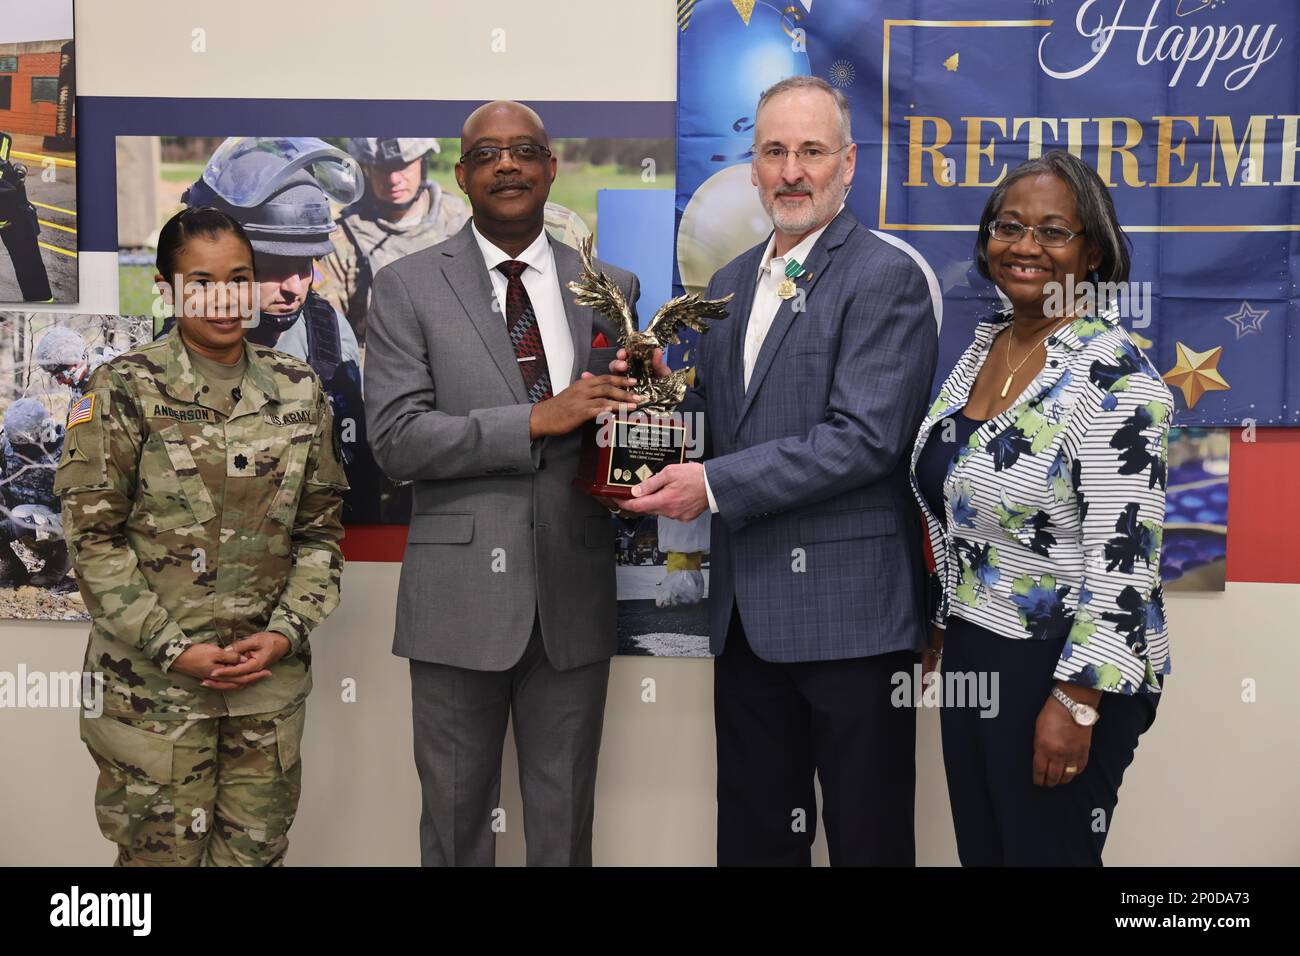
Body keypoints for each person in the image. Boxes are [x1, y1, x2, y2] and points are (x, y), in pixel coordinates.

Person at [618, 75, 938, 865]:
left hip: (852, 620)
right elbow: (735, 431)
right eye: (774, 152)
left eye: (811, 151)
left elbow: (864, 439)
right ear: (752, 167)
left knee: (868, 838)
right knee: (757, 837)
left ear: (849, 164)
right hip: (744, 617)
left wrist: (714, 486)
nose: (792, 171)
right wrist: (656, 404)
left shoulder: (884, 275)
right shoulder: (726, 285)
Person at [365, 100, 641, 866]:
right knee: (455, 829)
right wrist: (533, 421)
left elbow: (617, 435)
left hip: (573, 598)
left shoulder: (610, 287)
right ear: (462, 176)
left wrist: (644, 415)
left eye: (525, 150)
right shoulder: (406, 287)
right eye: (488, 154)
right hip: (458, 601)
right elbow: (395, 439)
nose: (508, 165)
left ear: (553, 167)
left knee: (564, 829)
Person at [55, 206, 347, 866]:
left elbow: (320, 533)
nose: (225, 298)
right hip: (154, 697)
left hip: (265, 694)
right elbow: (93, 541)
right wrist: (172, 648)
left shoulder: (300, 389)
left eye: (239, 277)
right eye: (202, 281)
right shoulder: (123, 388)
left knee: (254, 860)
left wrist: (284, 633)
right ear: (167, 288)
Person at [909, 149, 1173, 865]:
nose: (1025, 247)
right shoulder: (984, 346)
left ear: (1092, 252)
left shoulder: (1119, 380)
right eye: (1009, 226)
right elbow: (957, 503)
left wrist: (1077, 701)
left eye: (1054, 232)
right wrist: (941, 626)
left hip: (1061, 666)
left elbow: (1125, 569)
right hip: (975, 649)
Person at [181, 136, 396, 523]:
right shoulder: (177, 345)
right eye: (275, 267)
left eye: (306, 265)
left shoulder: (326, 330)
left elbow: (354, 463)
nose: (294, 286)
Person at [321, 138, 471, 339]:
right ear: (366, 170)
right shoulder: (344, 237)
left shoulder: (459, 220)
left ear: (422, 162)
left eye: (403, 166)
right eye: (382, 169)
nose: (393, 179)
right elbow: (330, 331)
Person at [0, 398, 69, 590]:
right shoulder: (8, 445)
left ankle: (59, 565)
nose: (17, 451)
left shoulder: (69, 452)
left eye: (23, 446)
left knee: (21, 514)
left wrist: (25, 526)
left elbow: (87, 515)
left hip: (61, 528)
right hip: (20, 510)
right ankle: (11, 567)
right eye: (15, 445)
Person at [0, 131, 53, 302]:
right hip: (12, 209)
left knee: (31, 268)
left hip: (14, 212)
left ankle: (41, 303)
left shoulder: (3, 141)